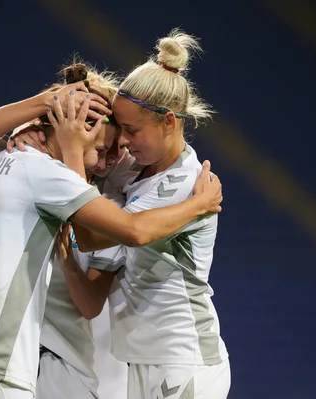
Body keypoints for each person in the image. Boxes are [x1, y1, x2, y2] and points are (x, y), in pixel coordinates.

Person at [0, 61, 224, 399]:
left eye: (125, 143)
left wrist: (43, 113)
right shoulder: (48, 176)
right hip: (0, 366)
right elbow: (128, 230)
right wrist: (199, 204)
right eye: (103, 148)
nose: (114, 157)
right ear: (77, 131)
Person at [63, 28, 232, 399]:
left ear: (168, 122)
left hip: (182, 360)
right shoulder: (138, 167)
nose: (122, 141)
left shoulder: (182, 184)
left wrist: (72, 152)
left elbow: (103, 234)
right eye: (121, 128)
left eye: (132, 130)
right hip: (145, 358)